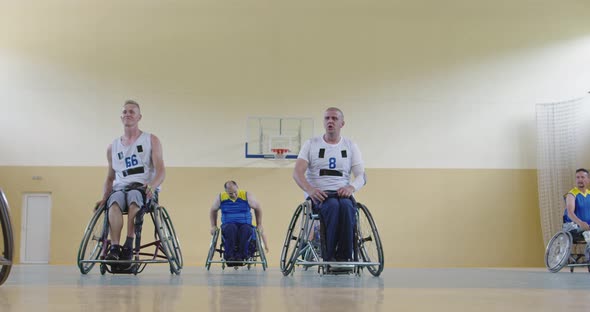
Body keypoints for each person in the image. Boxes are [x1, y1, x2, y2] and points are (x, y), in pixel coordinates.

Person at [293, 107, 366, 264]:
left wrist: (351, 188)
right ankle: (329, 256)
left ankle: (345, 257)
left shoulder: (350, 145)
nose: (330, 121)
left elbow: (361, 176)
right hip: (319, 195)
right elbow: (297, 173)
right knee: (332, 206)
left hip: (342, 194)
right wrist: (310, 189)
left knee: (347, 208)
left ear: (342, 123)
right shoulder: (311, 144)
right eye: (327, 118)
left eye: (334, 118)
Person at [97, 100, 166, 262]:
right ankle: (114, 247)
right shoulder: (112, 147)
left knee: (134, 196)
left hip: (143, 188)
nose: (128, 114)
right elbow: (110, 177)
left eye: (132, 112)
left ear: (139, 117)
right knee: (113, 202)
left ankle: (129, 244)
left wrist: (152, 186)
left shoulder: (151, 140)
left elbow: (161, 170)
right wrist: (103, 197)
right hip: (120, 188)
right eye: (125, 112)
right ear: (121, 117)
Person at [209, 181, 267, 265]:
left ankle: (242, 256)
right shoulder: (221, 197)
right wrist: (213, 226)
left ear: (237, 188)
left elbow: (258, 208)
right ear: (226, 192)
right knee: (230, 228)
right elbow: (213, 210)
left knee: (246, 229)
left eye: (235, 192)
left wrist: (259, 224)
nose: (234, 195)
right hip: (228, 224)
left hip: (245, 223)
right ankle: (229, 257)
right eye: (230, 193)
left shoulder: (246, 195)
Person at [563, 168, 590, 261]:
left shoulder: (589, 194)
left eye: (582, 177)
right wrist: (580, 223)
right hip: (574, 228)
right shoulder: (572, 194)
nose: (580, 180)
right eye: (577, 177)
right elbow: (570, 213)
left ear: (588, 179)